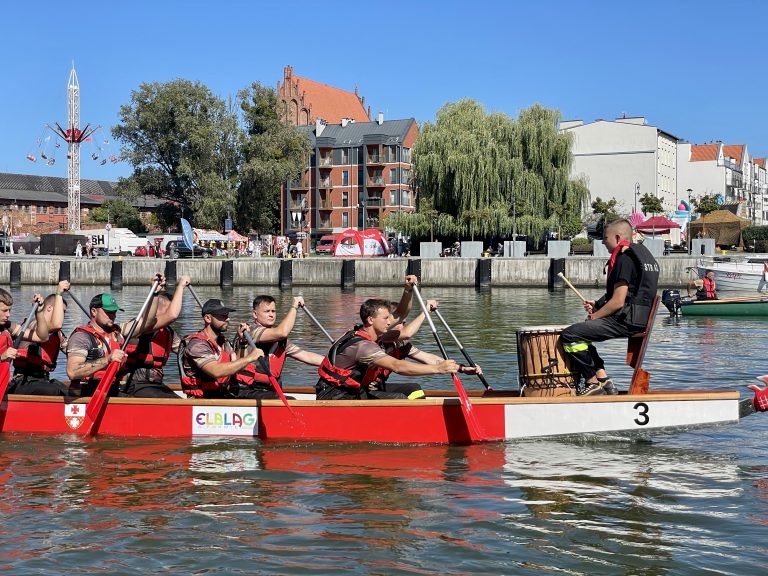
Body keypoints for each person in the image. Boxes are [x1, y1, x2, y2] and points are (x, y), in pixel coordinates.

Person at [561, 219, 660, 396]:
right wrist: (597, 304)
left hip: (626, 321)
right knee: (583, 330)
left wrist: (596, 315)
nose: (603, 242)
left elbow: (618, 302)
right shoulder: (640, 255)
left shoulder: (624, 258)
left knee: (570, 335)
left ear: (617, 237)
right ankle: (603, 379)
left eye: (605, 238)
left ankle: (592, 382)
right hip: (637, 318)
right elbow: (626, 292)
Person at [316, 298, 462, 400]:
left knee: (414, 388)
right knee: (399, 399)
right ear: (371, 320)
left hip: (356, 391)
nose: (390, 322)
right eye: (386, 319)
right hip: (336, 395)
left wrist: (461, 368)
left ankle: (422, 420)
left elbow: (401, 315)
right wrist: (437, 369)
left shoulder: (382, 338)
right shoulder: (363, 346)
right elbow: (397, 366)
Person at [66, 277, 164, 398]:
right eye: (108, 312)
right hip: (87, 393)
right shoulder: (81, 337)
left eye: (114, 312)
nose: (113, 316)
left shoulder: (118, 332)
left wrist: (154, 292)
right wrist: (107, 360)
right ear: (94, 311)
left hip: (112, 389)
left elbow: (147, 322)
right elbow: (72, 371)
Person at [232, 296, 324, 399]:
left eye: (273, 311)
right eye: (267, 311)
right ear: (255, 314)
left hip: (269, 391)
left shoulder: (280, 341)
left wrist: (333, 363)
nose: (271, 315)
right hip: (246, 390)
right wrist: (293, 307)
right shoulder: (250, 331)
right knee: (291, 401)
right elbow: (282, 332)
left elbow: (306, 356)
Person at [120, 275, 192, 398]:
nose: (167, 316)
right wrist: (180, 286)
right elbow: (172, 315)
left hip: (154, 384)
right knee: (178, 407)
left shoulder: (168, 332)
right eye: (166, 310)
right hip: (134, 384)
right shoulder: (141, 327)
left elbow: (186, 350)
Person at [180, 299, 264, 398]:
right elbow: (216, 371)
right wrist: (251, 358)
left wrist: (243, 342)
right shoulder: (197, 345)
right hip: (203, 401)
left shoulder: (223, 342)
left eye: (227, 315)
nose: (227, 319)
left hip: (222, 395)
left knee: (270, 397)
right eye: (222, 315)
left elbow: (236, 364)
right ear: (208, 318)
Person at [9, 281, 70, 396]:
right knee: (55, 391)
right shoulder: (33, 325)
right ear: (49, 308)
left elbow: (71, 350)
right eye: (62, 312)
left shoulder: (58, 334)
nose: (63, 316)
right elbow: (56, 324)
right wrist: (59, 293)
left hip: (43, 380)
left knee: (72, 391)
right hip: (23, 381)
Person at [0, 288, 51, 388]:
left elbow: (42, 337)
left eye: (9, 310)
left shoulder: (8, 327)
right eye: (4, 311)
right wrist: (2, 357)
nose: (8, 315)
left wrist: (39, 312)